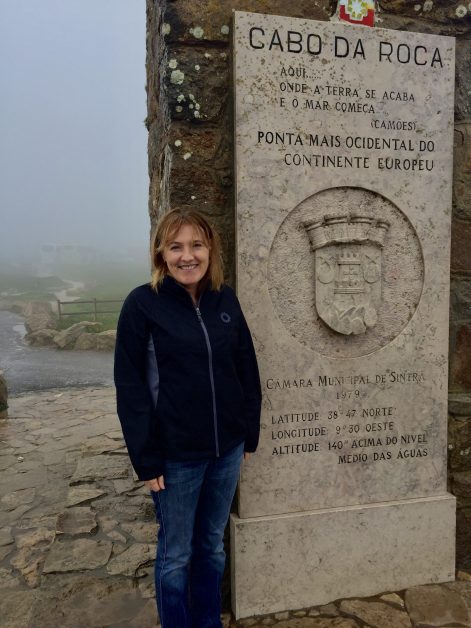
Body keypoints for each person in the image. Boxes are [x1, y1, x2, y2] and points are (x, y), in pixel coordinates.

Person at [114, 208, 261, 628]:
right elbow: (131, 388)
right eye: (176, 246)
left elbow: (245, 367)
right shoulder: (142, 305)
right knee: (176, 554)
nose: (187, 256)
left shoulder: (225, 298)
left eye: (196, 244)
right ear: (160, 252)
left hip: (227, 450)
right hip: (175, 457)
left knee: (212, 546)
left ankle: (208, 622)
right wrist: (146, 458)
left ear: (210, 248)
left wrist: (248, 434)